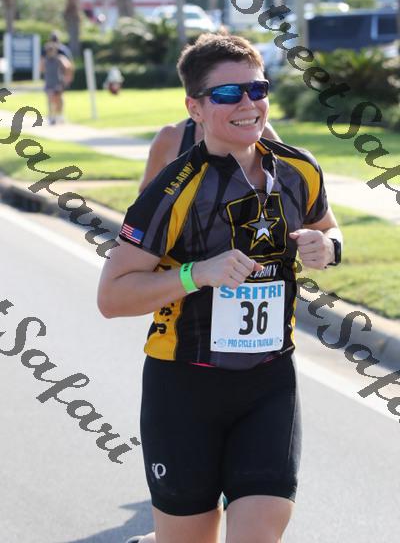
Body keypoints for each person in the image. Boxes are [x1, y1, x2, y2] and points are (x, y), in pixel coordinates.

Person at [97, 33, 343, 543]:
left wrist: (328, 247)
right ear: (195, 107)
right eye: (228, 94)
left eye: (257, 89)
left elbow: (328, 229)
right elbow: (112, 297)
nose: (248, 103)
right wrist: (196, 274)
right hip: (183, 387)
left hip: (270, 382)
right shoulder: (173, 189)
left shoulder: (298, 169)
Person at [139, 117, 283, 193]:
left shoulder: (260, 131)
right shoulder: (172, 136)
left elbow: (289, 184)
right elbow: (146, 198)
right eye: (224, 92)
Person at [40, 32, 74, 125]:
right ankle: (53, 116)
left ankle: (58, 115)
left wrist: (68, 77)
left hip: (58, 79)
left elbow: (68, 65)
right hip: (51, 79)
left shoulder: (62, 51)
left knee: (58, 97)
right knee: (51, 98)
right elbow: (41, 66)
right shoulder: (46, 50)